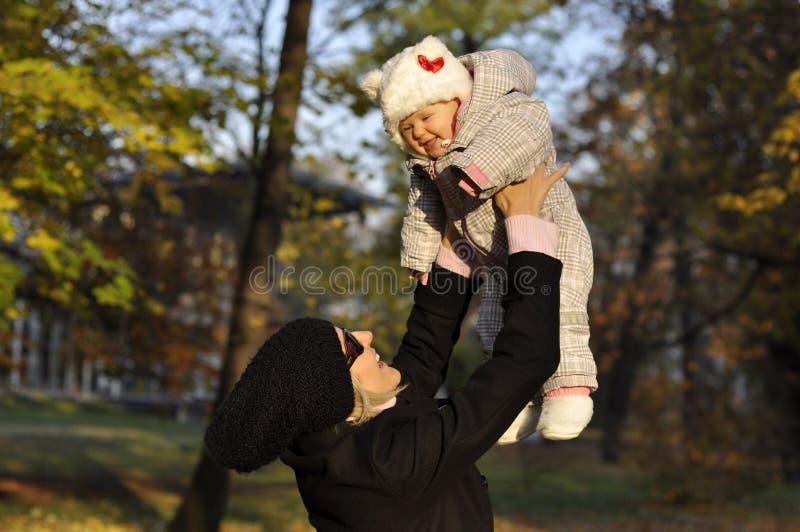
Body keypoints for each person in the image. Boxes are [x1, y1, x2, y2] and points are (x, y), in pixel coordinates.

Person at [205, 163, 566, 532]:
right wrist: (524, 224)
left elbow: (421, 363)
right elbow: (525, 359)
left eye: (349, 332)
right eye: (350, 348)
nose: (365, 336)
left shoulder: (328, 442)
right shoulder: (387, 468)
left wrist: (455, 246)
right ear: (332, 394)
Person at [359, 35, 596, 441]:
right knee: (495, 323)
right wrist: (419, 258)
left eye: (424, 116)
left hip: (551, 232)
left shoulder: (501, 111)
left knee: (562, 310)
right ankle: (514, 403)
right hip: (492, 253)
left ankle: (568, 391)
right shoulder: (426, 166)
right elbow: (423, 211)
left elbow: (524, 133)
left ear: (455, 98)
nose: (418, 132)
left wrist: (477, 172)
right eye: (407, 128)